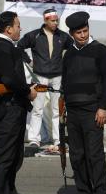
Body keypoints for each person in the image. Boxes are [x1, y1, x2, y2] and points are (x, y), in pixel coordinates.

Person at [0, 11, 38, 194]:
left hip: (15, 108)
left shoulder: (9, 48)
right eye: (17, 25)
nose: (20, 29)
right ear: (8, 29)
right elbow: (8, 79)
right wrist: (28, 91)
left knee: (15, 158)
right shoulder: (0, 48)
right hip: (6, 110)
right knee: (4, 159)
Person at [62, 11, 106, 194]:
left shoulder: (101, 52)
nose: (83, 35)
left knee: (94, 154)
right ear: (71, 34)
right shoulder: (68, 55)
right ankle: (83, 192)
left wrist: (102, 107)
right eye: (78, 33)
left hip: (92, 111)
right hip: (73, 112)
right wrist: (65, 108)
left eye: (85, 31)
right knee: (77, 154)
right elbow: (66, 82)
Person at [17, 8, 71, 148]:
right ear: (45, 20)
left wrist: (65, 65)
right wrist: (29, 61)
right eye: (52, 20)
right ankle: (34, 139)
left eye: (57, 20)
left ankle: (58, 140)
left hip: (57, 77)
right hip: (40, 77)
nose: (55, 23)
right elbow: (19, 47)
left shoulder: (63, 36)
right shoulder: (34, 36)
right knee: (37, 109)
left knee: (57, 110)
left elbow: (73, 49)